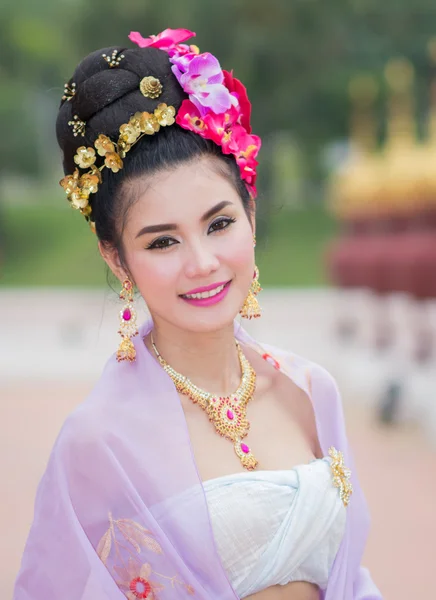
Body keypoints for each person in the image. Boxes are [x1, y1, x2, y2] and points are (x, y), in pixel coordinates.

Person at [13, 28, 382, 600]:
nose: (203, 263)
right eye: (163, 243)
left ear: (251, 213)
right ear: (116, 257)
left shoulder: (312, 391)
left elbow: (351, 578)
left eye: (219, 224)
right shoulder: (99, 442)